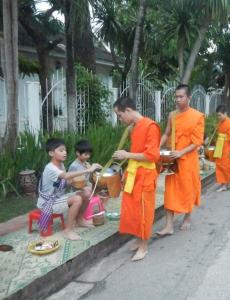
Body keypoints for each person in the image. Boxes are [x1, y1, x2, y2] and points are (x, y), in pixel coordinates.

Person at [112, 96, 161, 261]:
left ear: (128, 110)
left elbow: (152, 155)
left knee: (144, 211)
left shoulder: (150, 126)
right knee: (133, 210)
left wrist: (126, 155)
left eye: (120, 115)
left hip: (145, 175)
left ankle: (144, 246)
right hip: (134, 173)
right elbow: (138, 152)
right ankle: (139, 240)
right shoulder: (134, 127)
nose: (120, 119)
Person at [157, 84, 205, 236]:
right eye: (176, 97)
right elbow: (166, 133)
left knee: (187, 189)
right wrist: (157, 147)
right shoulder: (172, 115)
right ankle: (169, 225)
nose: (178, 100)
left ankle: (187, 217)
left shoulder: (197, 116)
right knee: (170, 192)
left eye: (181, 97)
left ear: (188, 98)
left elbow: (197, 141)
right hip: (173, 160)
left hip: (188, 160)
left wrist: (181, 152)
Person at [37, 138, 101, 240]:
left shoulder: (60, 164)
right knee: (77, 199)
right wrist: (88, 170)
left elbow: (63, 182)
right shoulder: (50, 167)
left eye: (65, 150)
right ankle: (68, 231)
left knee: (87, 193)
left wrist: (75, 182)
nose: (65, 153)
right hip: (48, 202)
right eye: (61, 150)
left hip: (58, 198)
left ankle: (80, 220)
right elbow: (66, 176)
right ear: (51, 153)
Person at [213, 105, 230, 192]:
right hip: (220, 146)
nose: (218, 117)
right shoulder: (220, 122)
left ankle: (225, 184)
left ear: (225, 113)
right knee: (220, 165)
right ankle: (226, 183)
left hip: (227, 146)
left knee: (225, 166)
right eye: (218, 115)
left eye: (220, 115)